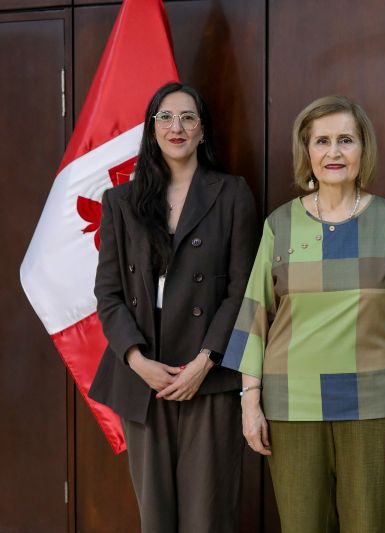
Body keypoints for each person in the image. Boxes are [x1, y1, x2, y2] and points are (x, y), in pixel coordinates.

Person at [222, 95, 385, 533]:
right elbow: (255, 315)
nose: (334, 152)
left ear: (364, 149)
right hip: (291, 406)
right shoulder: (279, 225)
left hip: (376, 407)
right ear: (307, 151)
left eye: (346, 139)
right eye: (321, 141)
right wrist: (250, 402)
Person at [89, 82, 258, 533]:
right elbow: (108, 294)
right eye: (165, 117)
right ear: (151, 130)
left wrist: (206, 361)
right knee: (156, 516)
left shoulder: (232, 193)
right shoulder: (120, 202)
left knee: (208, 516)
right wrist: (136, 359)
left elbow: (242, 290)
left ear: (202, 131)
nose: (176, 126)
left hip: (209, 373)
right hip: (144, 377)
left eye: (188, 117)